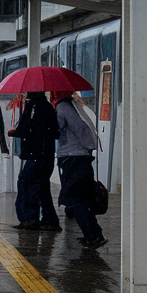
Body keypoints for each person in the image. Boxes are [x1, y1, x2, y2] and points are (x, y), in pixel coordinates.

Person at [54, 91, 106, 247]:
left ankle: (92, 236)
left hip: (72, 157)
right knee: (82, 198)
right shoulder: (76, 106)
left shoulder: (63, 107)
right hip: (81, 156)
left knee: (77, 199)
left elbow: (58, 129)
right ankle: (96, 234)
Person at [8, 91, 61, 230]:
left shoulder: (39, 108)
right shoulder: (39, 107)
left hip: (38, 154)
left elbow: (36, 130)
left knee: (27, 182)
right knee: (42, 185)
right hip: (41, 154)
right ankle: (50, 219)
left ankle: (30, 218)